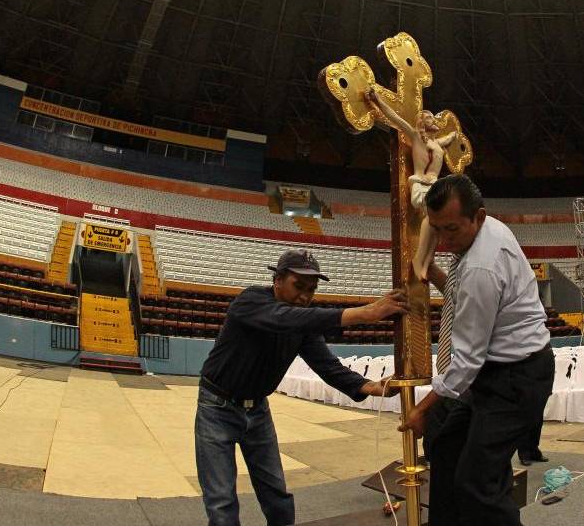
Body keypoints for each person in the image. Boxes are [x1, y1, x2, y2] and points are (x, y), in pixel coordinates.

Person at [195, 249, 407, 526]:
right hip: (216, 407)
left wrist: (371, 387)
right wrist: (367, 312)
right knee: (222, 505)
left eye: (311, 289)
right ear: (277, 280)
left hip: (258, 410)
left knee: (277, 497)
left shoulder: (302, 321)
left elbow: (326, 365)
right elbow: (285, 318)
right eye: (298, 286)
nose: (305, 296)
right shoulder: (251, 301)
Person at [399, 174, 554, 526]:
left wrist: (421, 408)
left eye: (450, 230)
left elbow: (466, 361)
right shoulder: (483, 234)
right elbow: (460, 290)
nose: (442, 239)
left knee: (478, 483)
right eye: (435, 229)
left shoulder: (481, 268)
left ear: (478, 217)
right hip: (492, 373)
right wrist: (425, 267)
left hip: (517, 380)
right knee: (443, 445)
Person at [366, 88, 457, 282]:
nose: (435, 121)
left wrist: (455, 136)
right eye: (430, 118)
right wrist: (378, 100)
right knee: (433, 214)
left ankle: (426, 261)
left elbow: (452, 137)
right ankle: (419, 261)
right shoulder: (416, 137)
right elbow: (394, 118)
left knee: (438, 222)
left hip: (435, 188)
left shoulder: (439, 144)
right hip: (420, 186)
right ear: (422, 123)